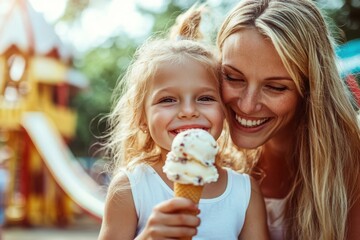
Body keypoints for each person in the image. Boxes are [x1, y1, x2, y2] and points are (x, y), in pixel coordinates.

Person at [98, 5, 270, 240]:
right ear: (141, 117)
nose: (189, 111)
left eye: (205, 98)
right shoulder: (131, 188)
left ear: (225, 109)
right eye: (168, 100)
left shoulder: (245, 192)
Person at [216, 0, 360, 239]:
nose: (247, 105)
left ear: (311, 88)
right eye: (233, 78)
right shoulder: (206, 162)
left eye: (275, 87)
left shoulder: (352, 168)